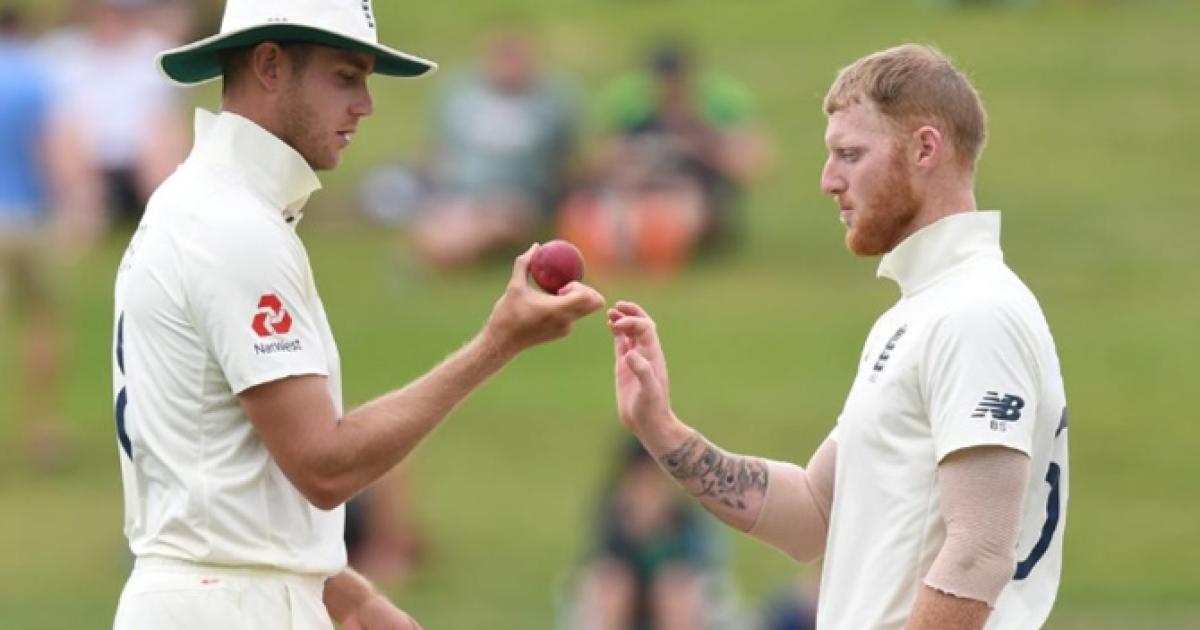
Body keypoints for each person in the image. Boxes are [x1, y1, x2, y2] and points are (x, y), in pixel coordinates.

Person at [110, 1, 605, 629]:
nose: (366, 105)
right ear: (269, 65)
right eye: (346, 77)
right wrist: (497, 343)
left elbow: (223, 480)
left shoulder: (197, 205)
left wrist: (348, 597)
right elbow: (324, 464)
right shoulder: (233, 227)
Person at [607, 44, 1069, 629]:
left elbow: (978, 553)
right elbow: (813, 511)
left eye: (850, 155)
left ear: (925, 148)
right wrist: (662, 430)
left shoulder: (974, 312)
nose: (829, 180)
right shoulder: (921, 313)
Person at [560, 42, 769, 273]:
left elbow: (753, 165)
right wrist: (624, 156)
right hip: (639, 190)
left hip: (691, 191)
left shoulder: (712, 112)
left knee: (672, 211)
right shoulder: (635, 115)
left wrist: (704, 145)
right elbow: (592, 162)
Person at [409, 27, 576, 269]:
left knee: (500, 220)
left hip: (518, 199)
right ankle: (452, 248)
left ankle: (459, 251)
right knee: (442, 221)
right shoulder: (460, 98)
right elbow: (438, 151)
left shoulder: (552, 103)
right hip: (463, 195)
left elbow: (564, 162)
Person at [40, 0, 188, 227]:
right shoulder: (61, 52)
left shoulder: (158, 51)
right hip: (86, 154)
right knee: (63, 135)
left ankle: (168, 216)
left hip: (141, 151)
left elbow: (164, 114)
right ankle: (82, 215)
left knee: (162, 135)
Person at [0, 6, 72, 469]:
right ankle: (41, 430)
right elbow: (50, 147)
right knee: (42, 322)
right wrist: (71, 203)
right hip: (27, 218)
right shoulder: (35, 76)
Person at [571, 439, 719, 630]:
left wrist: (661, 531)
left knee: (675, 589)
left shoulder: (684, 517)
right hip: (627, 592)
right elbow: (601, 558)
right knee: (612, 587)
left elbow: (698, 561)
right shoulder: (613, 515)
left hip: (670, 593)